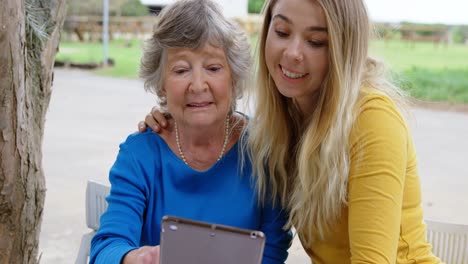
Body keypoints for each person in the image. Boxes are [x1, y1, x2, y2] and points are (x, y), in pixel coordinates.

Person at [141, 0, 443, 263]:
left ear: (342, 48)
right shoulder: (286, 119)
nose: (293, 53)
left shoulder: (372, 119)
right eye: (282, 33)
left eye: (316, 42)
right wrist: (174, 123)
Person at [90, 0, 292, 263]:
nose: (197, 85)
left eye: (213, 68)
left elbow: (273, 252)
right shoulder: (140, 155)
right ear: (161, 84)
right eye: (181, 70)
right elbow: (107, 246)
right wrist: (137, 258)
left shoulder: (266, 151)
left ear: (234, 78)